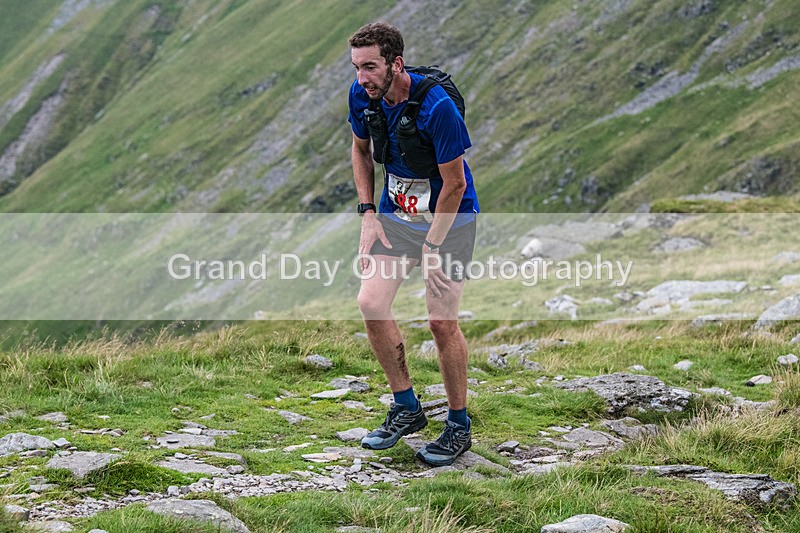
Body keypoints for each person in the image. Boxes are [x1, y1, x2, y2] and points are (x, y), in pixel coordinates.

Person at [347, 21, 479, 466]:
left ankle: (458, 424)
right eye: (356, 67)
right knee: (371, 303)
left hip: (450, 220)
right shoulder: (362, 98)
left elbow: (455, 184)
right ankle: (407, 407)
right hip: (396, 219)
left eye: (370, 67)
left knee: (441, 323)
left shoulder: (437, 108)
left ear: (395, 64)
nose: (361, 77)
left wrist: (433, 244)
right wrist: (368, 214)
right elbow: (361, 152)